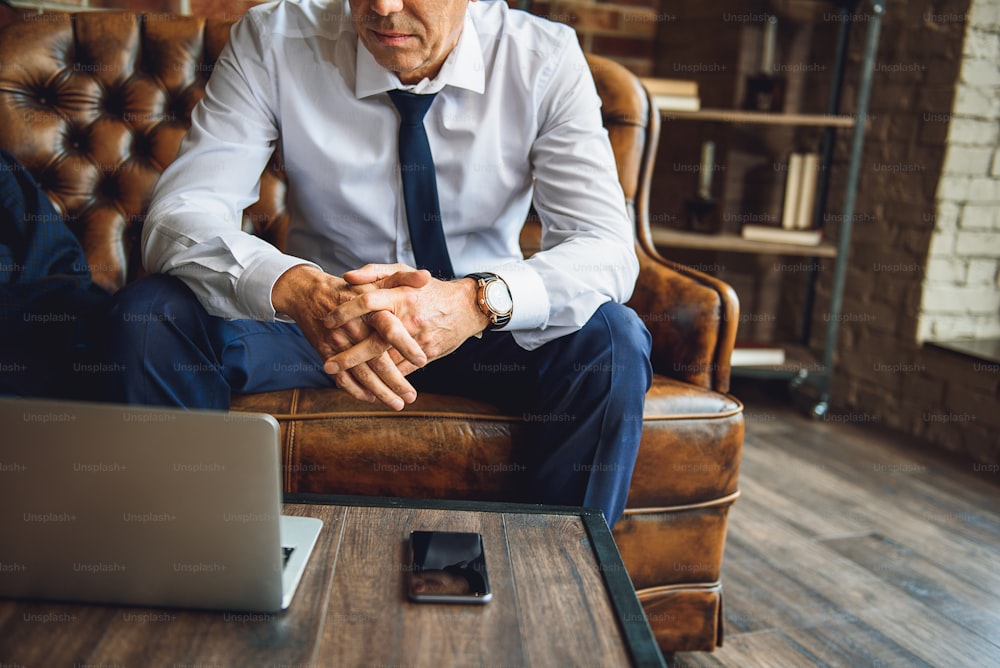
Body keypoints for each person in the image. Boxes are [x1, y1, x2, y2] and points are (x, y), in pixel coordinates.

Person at [108, 0, 652, 525]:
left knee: (611, 337)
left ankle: (555, 581)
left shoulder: (543, 56)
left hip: (484, 330)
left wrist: (474, 300)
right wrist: (300, 290)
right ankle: (191, 565)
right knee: (152, 312)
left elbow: (603, 245)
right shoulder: (274, 39)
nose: (384, 7)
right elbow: (182, 213)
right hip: (322, 324)